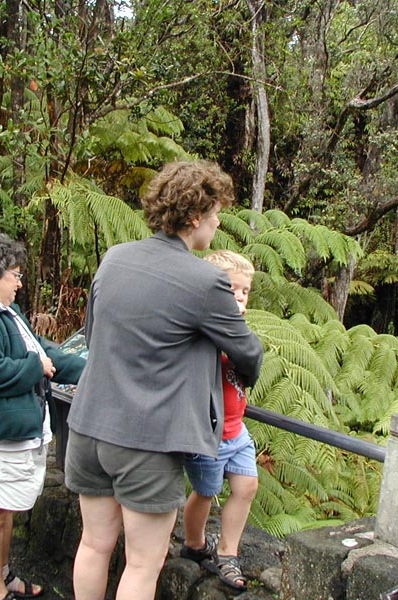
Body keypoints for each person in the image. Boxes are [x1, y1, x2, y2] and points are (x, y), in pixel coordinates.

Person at [64, 160, 264, 600]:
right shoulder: (205, 279)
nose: (217, 223)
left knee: (95, 544)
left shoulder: (114, 259)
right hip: (146, 441)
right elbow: (248, 351)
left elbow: (94, 335)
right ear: (195, 217)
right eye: (215, 215)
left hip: (88, 426)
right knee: (142, 563)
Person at [0, 233, 85, 600]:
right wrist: (34, 365)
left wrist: (91, 369)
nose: (20, 284)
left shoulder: (5, 312)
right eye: (16, 275)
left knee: (5, 513)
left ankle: (5, 578)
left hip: (10, 434)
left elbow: (44, 351)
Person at [181, 250, 258, 590]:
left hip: (237, 430)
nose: (240, 297)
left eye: (245, 291)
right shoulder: (204, 329)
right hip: (208, 434)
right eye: (233, 290)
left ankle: (228, 553)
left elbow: (251, 361)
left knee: (247, 486)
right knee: (206, 491)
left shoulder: (239, 329)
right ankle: (195, 543)